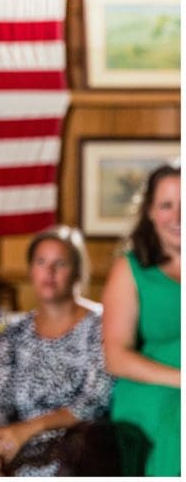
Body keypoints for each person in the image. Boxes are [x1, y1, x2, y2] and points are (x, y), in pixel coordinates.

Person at [0, 224, 113, 476]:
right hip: (13, 442)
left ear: (77, 272)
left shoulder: (101, 325)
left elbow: (95, 401)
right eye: (41, 262)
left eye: (60, 264)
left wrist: (29, 429)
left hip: (70, 446)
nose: (49, 272)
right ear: (30, 270)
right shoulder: (16, 332)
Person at [103, 162, 180, 476]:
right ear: (149, 211)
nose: (177, 218)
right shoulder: (130, 269)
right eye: (166, 205)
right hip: (154, 388)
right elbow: (116, 357)